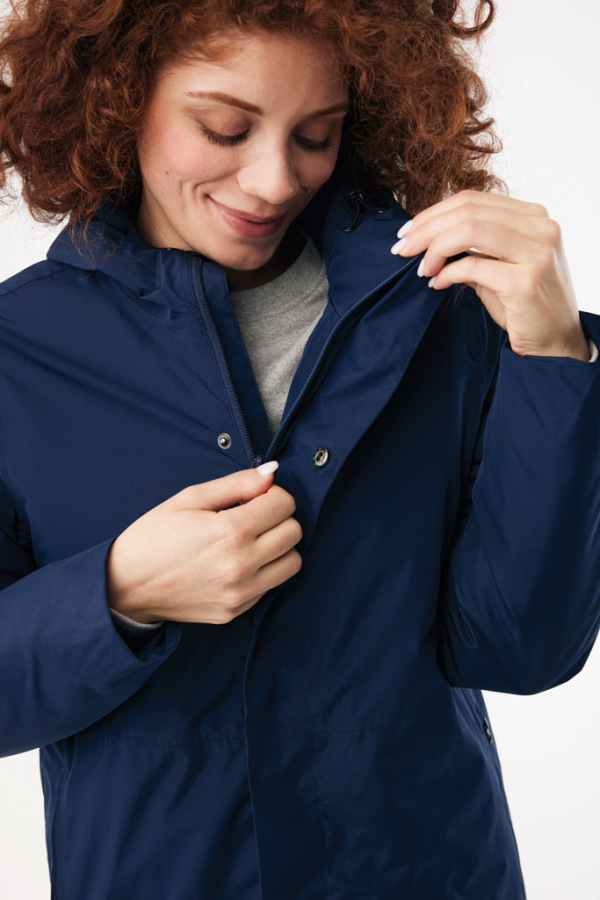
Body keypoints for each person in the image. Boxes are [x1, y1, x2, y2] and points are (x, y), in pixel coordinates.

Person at [0, 0, 599, 897]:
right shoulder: (18, 351)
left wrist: (554, 357)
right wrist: (117, 593)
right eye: (224, 128)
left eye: (316, 135)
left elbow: (523, 649)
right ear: (118, 97)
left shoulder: (439, 309)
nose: (274, 180)